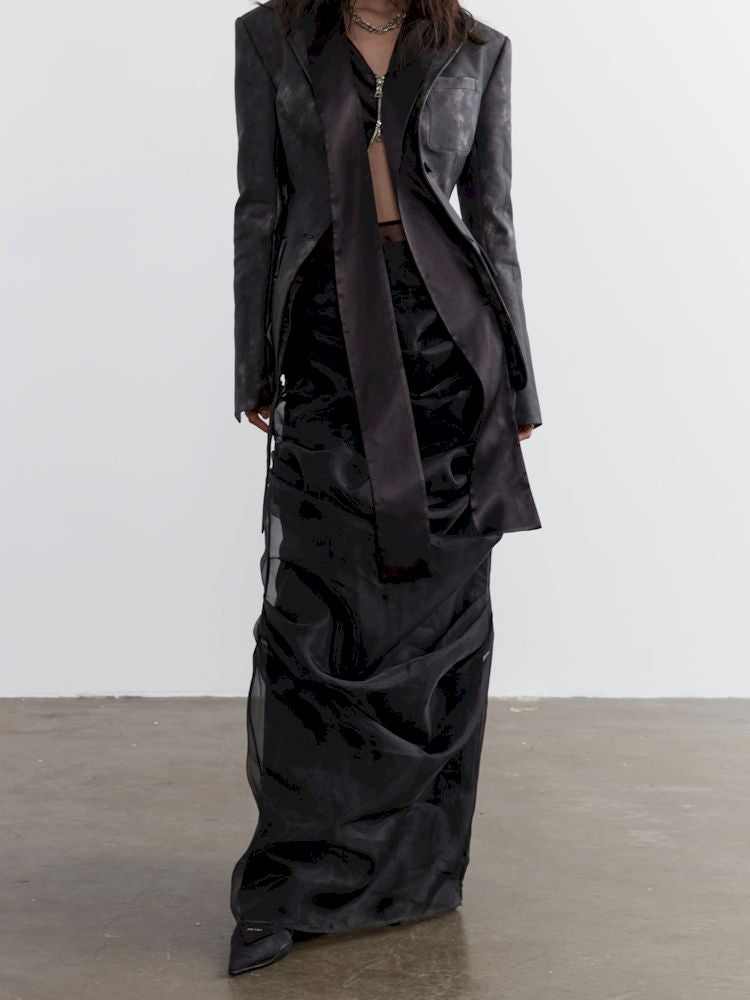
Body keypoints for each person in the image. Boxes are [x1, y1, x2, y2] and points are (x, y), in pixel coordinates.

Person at [228, 0, 542, 975]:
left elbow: (492, 221)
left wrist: (521, 381)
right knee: (317, 612)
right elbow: (259, 205)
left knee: (437, 613)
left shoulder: (479, 51)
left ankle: (415, 871)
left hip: (451, 352)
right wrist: (254, 364)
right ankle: (292, 886)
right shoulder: (271, 37)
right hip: (326, 337)